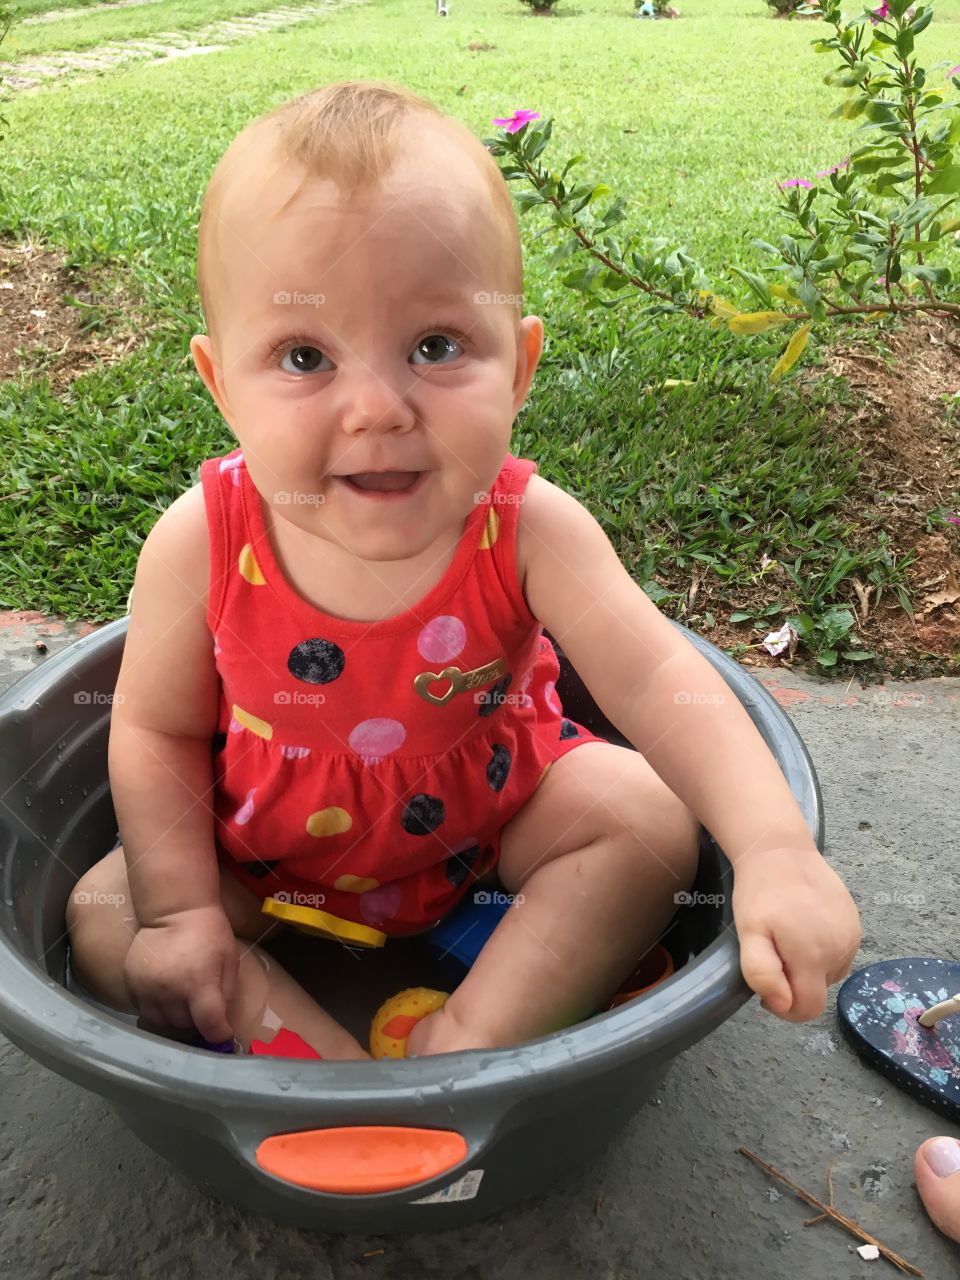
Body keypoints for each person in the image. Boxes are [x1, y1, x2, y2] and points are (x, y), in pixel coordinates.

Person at [65, 79, 861, 1062]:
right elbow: (154, 728)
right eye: (306, 355)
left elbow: (662, 683)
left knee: (651, 821)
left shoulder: (526, 527)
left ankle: (463, 1045)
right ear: (221, 384)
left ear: (519, 369)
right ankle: (329, 1075)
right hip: (261, 851)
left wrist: (774, 848)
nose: (379, 408)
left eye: (436, 346)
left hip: (487, 828)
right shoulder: (203, 539)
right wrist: (186, 908)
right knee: (106, 915)